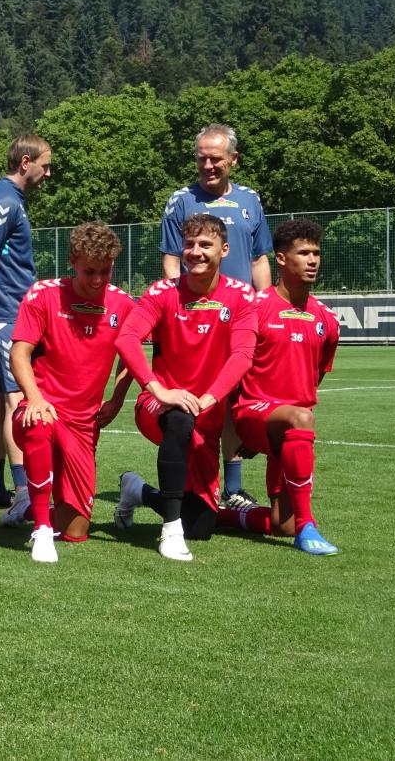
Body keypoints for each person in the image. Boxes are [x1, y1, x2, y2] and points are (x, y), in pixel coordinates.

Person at [114, 213, 257, 561]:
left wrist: (209, 399)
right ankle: (170, 532)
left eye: (205, 245)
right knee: (178, 417)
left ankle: (137, 490)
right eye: (189, 244)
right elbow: (128, 338)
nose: (195, 252)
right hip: (158, 406)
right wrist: (158, 389)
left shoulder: (241, 296)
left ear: (224, 250)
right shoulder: (162, 293)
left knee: (203, 526)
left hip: (206, 414)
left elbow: (242, 356)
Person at [160, 123, 272, 511]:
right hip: (194, 318)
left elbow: (260, 259)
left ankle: (234, 487)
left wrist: (265, 306)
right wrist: (181, 308)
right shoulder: (180, 200)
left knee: (234, 399)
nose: (208, 165)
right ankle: (192, 481)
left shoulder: (250, 200)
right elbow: (172, 258)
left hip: (239, 316)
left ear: (233, 160)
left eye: (215, 159)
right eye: (201, 158)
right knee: (193, 400)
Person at [9, 223, 136, 563]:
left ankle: (27, 507)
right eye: (89, 271)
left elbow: (132, 358)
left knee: (77, 531)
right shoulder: (44, 294)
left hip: (84, 424)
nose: (97, 280)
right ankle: (39, 529)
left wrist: (118, 396)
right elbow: (19, 353)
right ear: (73, 261)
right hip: (42, 408)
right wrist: (35, 398)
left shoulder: (122, 304)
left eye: (105, 271)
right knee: (39, 422)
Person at [221, 219, 340, 555]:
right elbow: (234, 369)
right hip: (252, 413)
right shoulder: (254, 309)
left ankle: (220, 516)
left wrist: (280, 421)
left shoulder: (327, 320)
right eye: (303, 253)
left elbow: (318, 375)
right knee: (301, 418)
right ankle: (308, 527)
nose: (313, 260)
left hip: (289, 426)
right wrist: (249, 430)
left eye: (316, 253)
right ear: (282, 259)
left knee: (279, 525)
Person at [0, 135, 52, 515]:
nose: (47, 173)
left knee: (2, 399)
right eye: (44, 165)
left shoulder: (3, 197)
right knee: (19, 397)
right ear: (25, 163)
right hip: (5, 313)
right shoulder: (5, 200)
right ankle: (23, 489)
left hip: (3, 311)